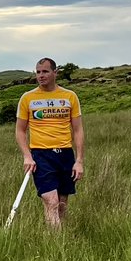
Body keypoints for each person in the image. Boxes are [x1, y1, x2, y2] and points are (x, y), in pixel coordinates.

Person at [15, 57, 85, 228]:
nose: (41, 75)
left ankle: (60, 239)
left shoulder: (70, 96)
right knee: (51, 200)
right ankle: (56, 241)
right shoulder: (28, 98)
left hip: (65, 153)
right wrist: (27, 156)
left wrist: (79, 161)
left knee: (62, 203)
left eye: (45, 71)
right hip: (41, 155)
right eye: (38, 72)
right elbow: (20, 130)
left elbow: (78, 130)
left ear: (55, 72)